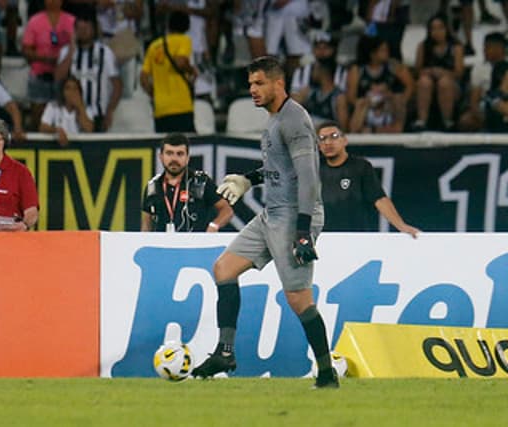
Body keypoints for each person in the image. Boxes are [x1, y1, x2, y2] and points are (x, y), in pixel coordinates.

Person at [192, 56, 338, 389]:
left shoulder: (294, 120)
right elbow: (279, 169)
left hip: (293, 217)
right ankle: (225, 352)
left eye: (259, 83)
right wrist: (247, 179)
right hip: (271, 212)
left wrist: (303, 231)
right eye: (250, 85)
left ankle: (327, 372)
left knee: (299, 300)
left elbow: (309, 178)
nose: (253, 90)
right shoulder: (274, 119)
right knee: (224, 269)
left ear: (278, 83)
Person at [317, 121, 419, 237]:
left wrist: (401, 226)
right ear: (319, 146)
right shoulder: (314, 169)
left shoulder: (360, 167)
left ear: (345, 140)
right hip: (324, 239)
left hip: (358, 238)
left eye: (334, 137)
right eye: (322, 139)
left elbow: (379, 199)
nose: (328, 142)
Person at [141, 133, 233, 232]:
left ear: (187, 158)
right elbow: (147, 222)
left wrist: (214, 225)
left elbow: (227, 211)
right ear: (161, 156)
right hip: (161, 245)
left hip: (194, 245)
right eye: (169, 153)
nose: (174, 159)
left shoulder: (201, 182)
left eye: (180, 154)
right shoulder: (153, 187)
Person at [55, 11, 123, 132]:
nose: (83, 31)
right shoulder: (66, 52)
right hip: (71, 115)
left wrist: (110, 110)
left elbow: (117, 85)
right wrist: (72, 51)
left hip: (98, 114)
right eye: (79, 28)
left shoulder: (105, 52)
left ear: (94, 29)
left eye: (86, 28)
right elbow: (58, 78)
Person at [22, 0, 75, 130]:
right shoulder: (34, 21)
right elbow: (26, 50)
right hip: (40, 76)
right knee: (38, 118)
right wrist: (45, 58)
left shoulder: (71, 21)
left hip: (63, 78)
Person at [140, 11, 196, 133]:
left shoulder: (154, 46)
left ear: (169, 26)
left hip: (160, 110)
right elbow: (180, 62)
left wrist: (154, 94)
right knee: (184, 148)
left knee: (167, 149)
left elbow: (143, 77)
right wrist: (192, 70)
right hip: (181, 107)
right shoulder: (184, 40)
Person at [412, 13, 464, 132]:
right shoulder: (423, 46)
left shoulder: (456, 47)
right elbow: (417, 71)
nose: (437, 32)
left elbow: (459, 73)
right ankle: (421, 121)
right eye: (433, 29)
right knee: (424, 82)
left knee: (444, 82)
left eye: (440, 28)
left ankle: (447, 121)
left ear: (446, 29)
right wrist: (429, 71)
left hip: (451, 84)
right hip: (428, 82)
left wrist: (443, 73)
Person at [459, 32, 507, 131]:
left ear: (499, 48)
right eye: (484, 47)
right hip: (486, 106)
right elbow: (474, 100)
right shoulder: (478, 68)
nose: (484, 50)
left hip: (504, 102)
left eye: (488, 47)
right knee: (466, 121)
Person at [39, 75, 94, 146]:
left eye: (75, 88)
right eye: (68, 88)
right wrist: (57, 130)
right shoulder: (53, 106)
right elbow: (42, 127)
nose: (72, 92)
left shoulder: (87, 109)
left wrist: (80, 108)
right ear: (62, 92)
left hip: (79, 148)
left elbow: (89, 129)